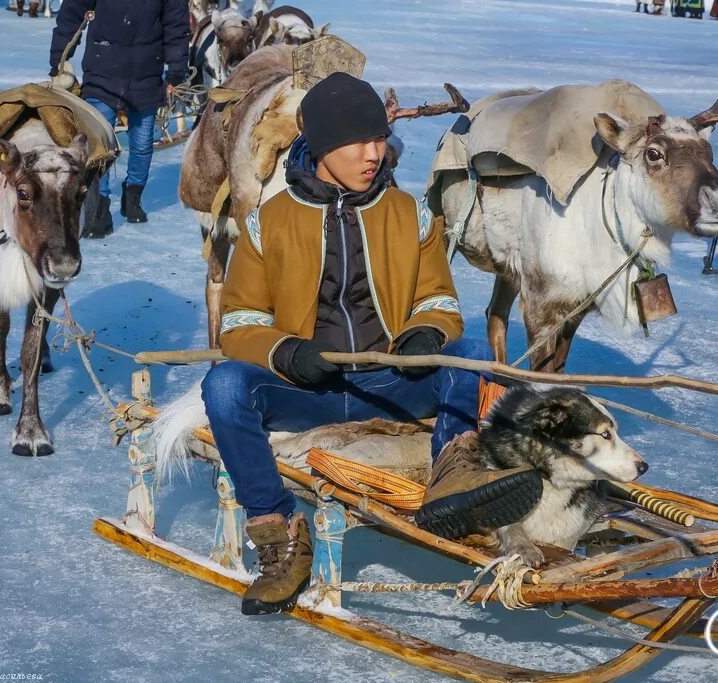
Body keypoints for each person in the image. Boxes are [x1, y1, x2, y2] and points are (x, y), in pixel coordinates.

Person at [201, 73, 540, 616]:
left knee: (471, 352)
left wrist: (426, 333)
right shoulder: (269, 221)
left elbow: (441, 301)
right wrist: (286, 351)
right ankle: (280, 534)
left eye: (379, 139)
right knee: (223, 386)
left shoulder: (411, 214)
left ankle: (455, 476)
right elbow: (240, 322)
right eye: (358, 142)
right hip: (306, 387)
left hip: (393, 383)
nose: (373, 154)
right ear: (323, 146)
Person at [49, 0, 189, 238]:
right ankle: (99, 207)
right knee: (98, 144)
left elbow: (176, 25)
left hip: (146, 72)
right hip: (102, 69)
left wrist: (176, 72)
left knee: (143, 143)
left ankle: (133, 195)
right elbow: (72, 12)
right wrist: (59, 57)